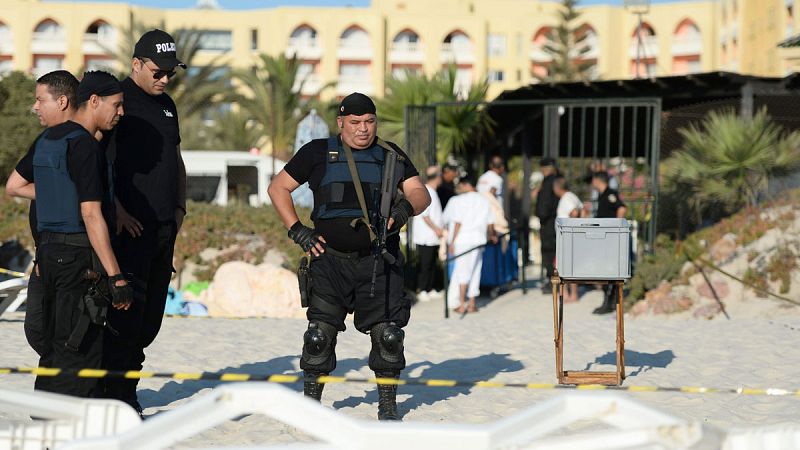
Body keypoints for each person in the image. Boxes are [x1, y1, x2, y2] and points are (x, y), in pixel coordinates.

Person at [268, 92, 430, 421]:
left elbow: (420, 192)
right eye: (355, 122)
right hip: (329, 261)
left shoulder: (390, 155)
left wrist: (401, 211)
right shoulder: (317, 152)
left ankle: (387, 408)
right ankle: (311, 407)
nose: (363, 129)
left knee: (389, 336)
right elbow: (278, 188)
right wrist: (298, 230)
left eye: (369, 122)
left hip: (379, 260)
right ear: (341, 123)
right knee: (318, 337)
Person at [21, 71, 131, 397]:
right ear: (93, 101)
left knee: (52, 339)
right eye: (117, 104)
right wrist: (116, 277)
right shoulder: (84, 145)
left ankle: (48, 414)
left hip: (47, 255)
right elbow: (90, 213)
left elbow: (17, 187)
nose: (121, 112)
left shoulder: (47, 141)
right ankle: (72, 418)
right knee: (80, 342)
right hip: (77, 258)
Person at [102, 29, 187, 412]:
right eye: (157, 72)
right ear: (136, 64)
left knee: (150, 323)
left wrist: (181, 208)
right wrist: (117, 209)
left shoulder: (168, 104)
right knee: (125, 319)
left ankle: (125, 392)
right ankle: (119, 398)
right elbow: (97, 163)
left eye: (170, 72)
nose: (165, 79)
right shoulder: (116, 101)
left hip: (164, 229)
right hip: (128, 231)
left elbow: (176, 159)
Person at [5, 71, 80, 362]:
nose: (34, 107)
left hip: (75, 252)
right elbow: (15, 185)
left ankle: (71, 392)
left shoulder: (85, 140)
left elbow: (94, 199)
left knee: (66, 333)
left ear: (62, 101)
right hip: (46, 250)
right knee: (37, 328)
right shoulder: (45, 139)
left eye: (40, 100)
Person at [443, 175, 496, 314]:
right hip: (478, 239)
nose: (460, 188)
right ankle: (472, 304)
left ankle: (462, 304)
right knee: (475, 271)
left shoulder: (460, 200)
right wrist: (492, 235)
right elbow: (490, 223)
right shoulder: (484, 200)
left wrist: (452, 242)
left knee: (462, 272)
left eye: (461, 185)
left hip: (463, 239)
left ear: (467, 185)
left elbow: (458, 223)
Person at [591, 171, 627, 315]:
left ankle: (610, 302)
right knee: (604, 269)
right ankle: (608, 301)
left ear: (597, 180)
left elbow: (622, 208)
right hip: (603, 237)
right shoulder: (602, 195)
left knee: (609, 269)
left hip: (610, 237)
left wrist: (616, 228)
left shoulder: (610, 193)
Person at [412, 165, 444, 302]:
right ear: (438, 177)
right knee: (425, 264)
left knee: (431, 263)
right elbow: (425, 216)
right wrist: (436, 228)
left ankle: (429, 288)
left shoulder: (433, 191)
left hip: (432, 237)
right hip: (426, 236)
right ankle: (422, 289)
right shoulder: (427, 191)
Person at [552, 175, 583, 303]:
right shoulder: (572, 196)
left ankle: (569, 294)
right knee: (568, 266)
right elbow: (583, 210)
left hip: (567, 238)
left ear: (557, 187)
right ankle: (566, 293)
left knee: (564, 266)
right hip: (569, 237)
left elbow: (574, 212)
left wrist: (573, 227)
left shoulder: (566, 198)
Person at [534, 157, 559, 292]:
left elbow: (545, 203)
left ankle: (552, 280)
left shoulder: (549, 182)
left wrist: (541, 216)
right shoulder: (557, 180)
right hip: (553, 221)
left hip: (549, 222)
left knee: (549, 252)